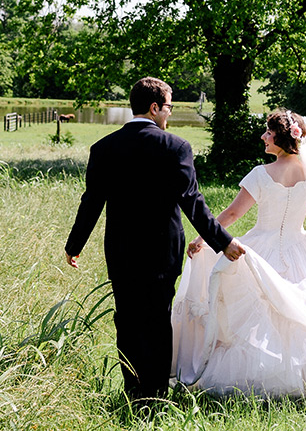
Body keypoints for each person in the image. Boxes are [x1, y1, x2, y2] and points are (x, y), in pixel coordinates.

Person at [171, 108, 306, 399]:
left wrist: (204, 238)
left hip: (260, 246)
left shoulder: (261, 174)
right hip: (301, 247)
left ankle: (258, 377)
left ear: (282, 137)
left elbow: (232, 213)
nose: (263, 136)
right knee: (299, 312)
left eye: (268, 132)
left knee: (256, 312)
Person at [64, 76, 244, 401]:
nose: (169, 114)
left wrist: (73, 246)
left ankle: (134, 394)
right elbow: (193, 202)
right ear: (154, 107)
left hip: (121, 253)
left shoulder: (104, 148)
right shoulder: (175, 147)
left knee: (128, 322)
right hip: (163, 253)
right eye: (168, 107)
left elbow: (91, 203)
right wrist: (224, 241)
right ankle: (157, 396)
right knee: (158, 322)